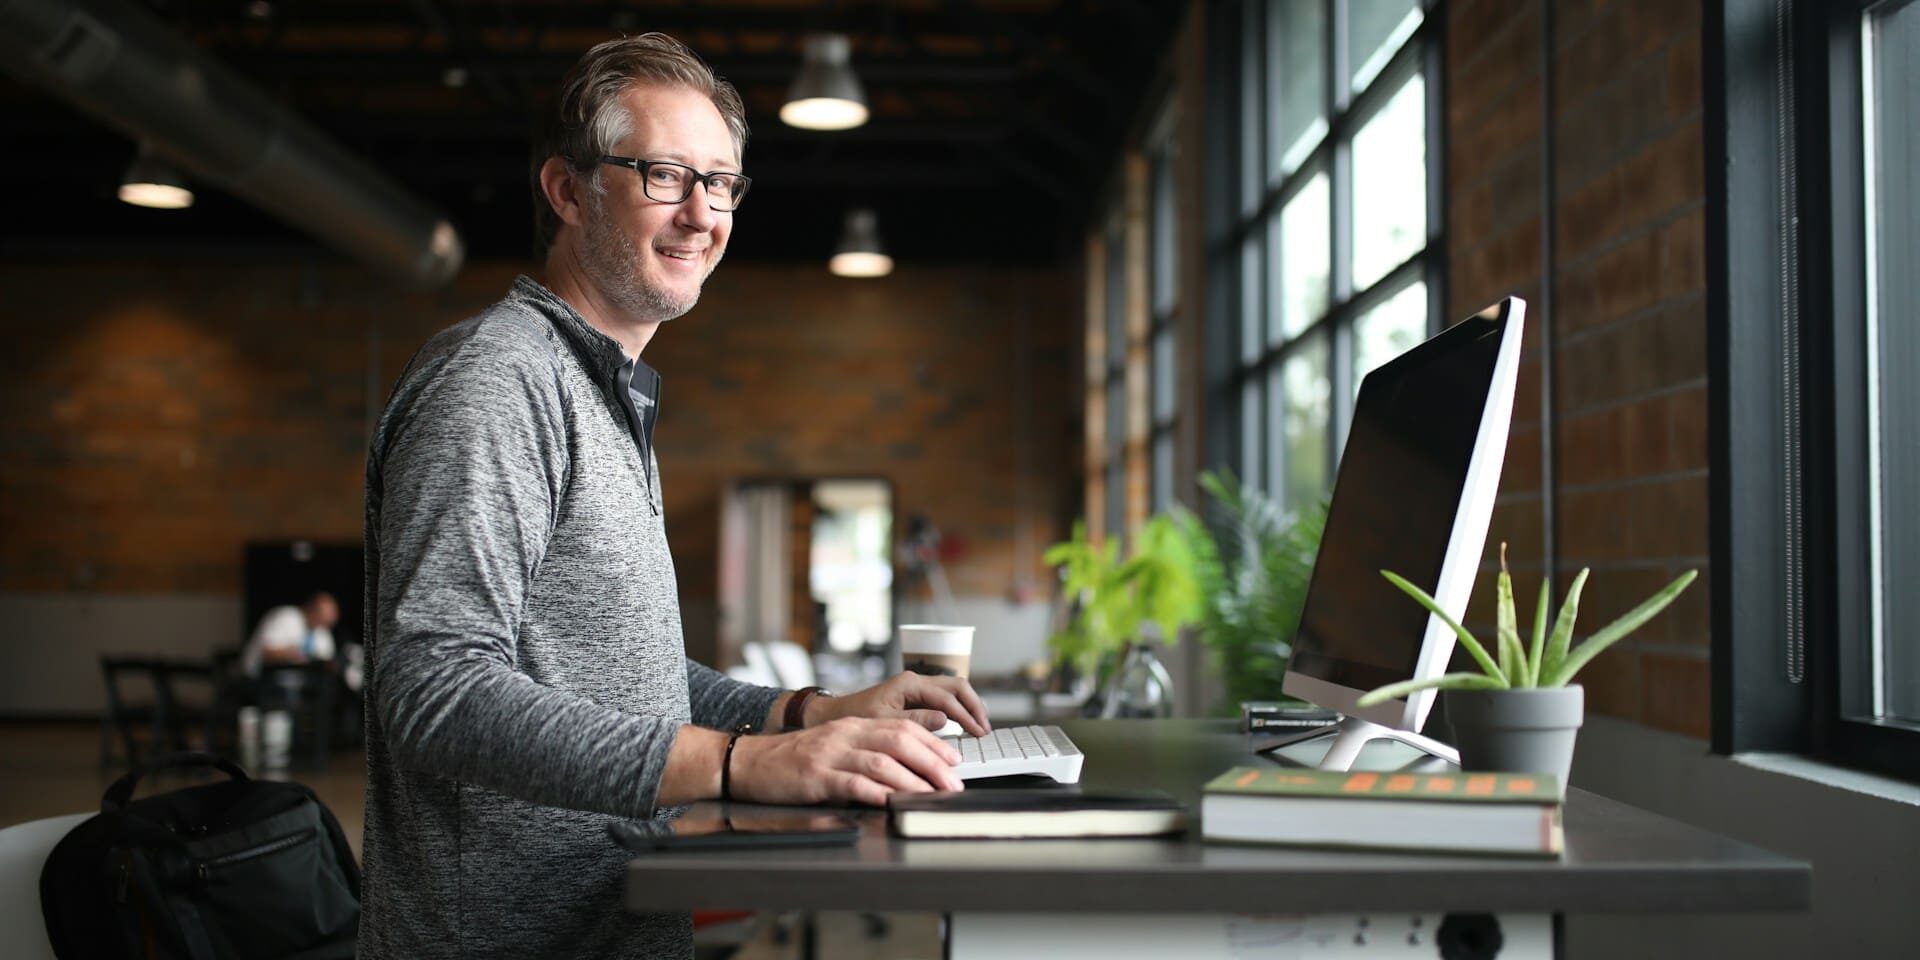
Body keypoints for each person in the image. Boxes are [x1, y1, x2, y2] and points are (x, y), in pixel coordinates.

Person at [357, 33, 991, 959]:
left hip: (611, 924)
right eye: (664, 174)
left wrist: (807, 717)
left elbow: (616, 680)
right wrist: (739, 764)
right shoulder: (497, 382)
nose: (703, 213)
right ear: (567, 190)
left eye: (723, 182)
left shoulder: (603, 393)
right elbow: (433, 689)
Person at [240, 590, 338, 677]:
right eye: (322, 616)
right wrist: (294, 653)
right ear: (311, 609)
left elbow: (326, 661)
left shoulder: (322, 631)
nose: (324, 623)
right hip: (257, 678)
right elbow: (267, 653)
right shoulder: (285, 617)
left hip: (300, 683)